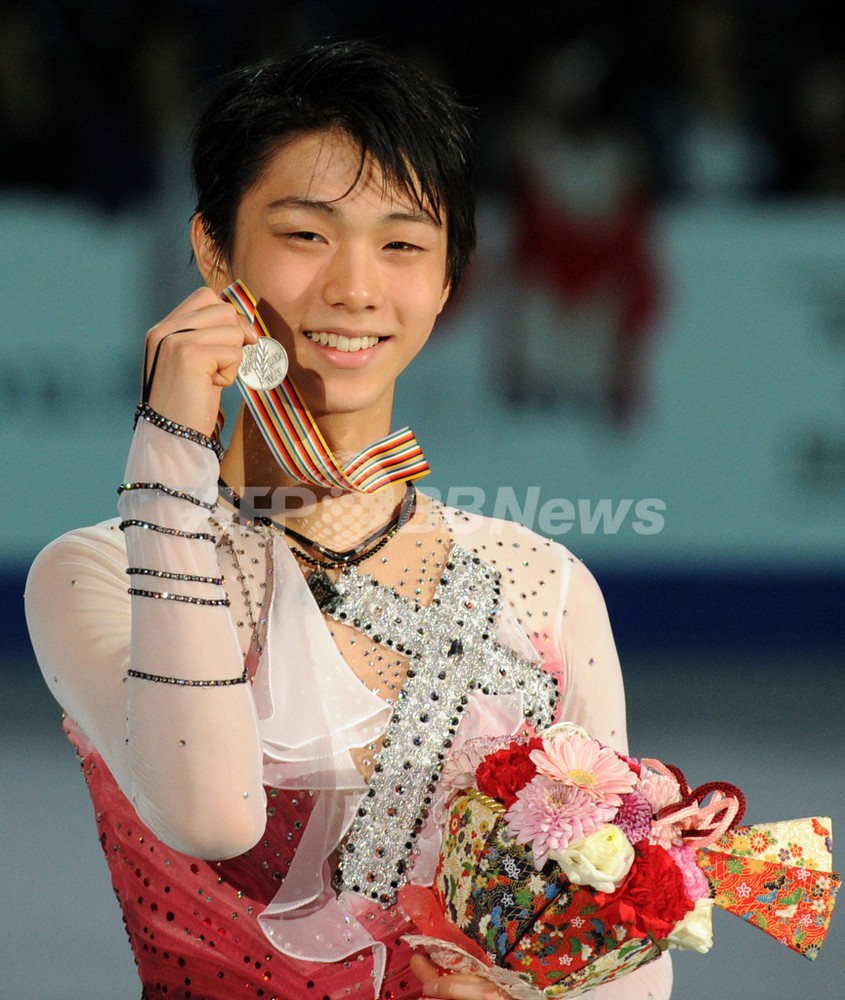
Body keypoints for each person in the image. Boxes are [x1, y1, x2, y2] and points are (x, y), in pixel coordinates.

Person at [25, 41, 672, 1000]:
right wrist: (168, 450)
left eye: (403, 243)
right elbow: (212, 816)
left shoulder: (543, 584)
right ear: (213, 252)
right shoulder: (95, 572)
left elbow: (626, 953)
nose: (356, 288)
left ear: (450, 277)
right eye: (306, 235)